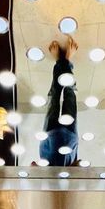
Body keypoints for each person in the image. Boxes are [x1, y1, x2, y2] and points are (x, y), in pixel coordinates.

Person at [38, 36, 79, 167]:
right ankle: (64, 61)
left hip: (52, 142)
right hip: (67, 141)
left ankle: (64, 61)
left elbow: (33, 166)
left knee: (56, 96)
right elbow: (79, 165)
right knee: (67, 95)